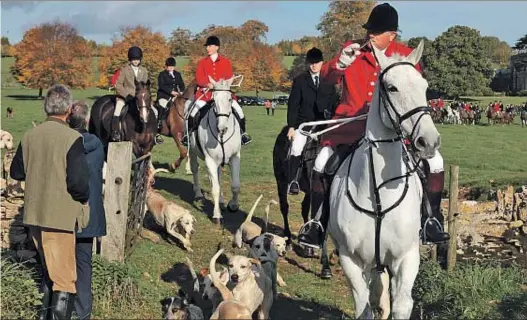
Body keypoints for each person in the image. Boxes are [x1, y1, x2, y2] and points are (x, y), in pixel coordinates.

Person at [297, 3, 450, 249]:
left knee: (435, 162)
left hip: (397, 131)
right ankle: (317, 224)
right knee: (321, 161)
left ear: (392, 34)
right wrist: (340, 63)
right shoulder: (352, 51)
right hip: (350, 126)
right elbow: (325, 80)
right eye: (370, 29)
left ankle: (431, 220)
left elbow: (414, 93)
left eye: (377, 31)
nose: (370, 34)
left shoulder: (406, 55)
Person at [10, 84, 90, 320]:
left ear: (46, 108)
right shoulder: (72, 137)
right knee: (65, 280)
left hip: (34, 215)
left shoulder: (29, 136)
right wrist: (83, 200)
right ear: (68, 110)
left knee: (50, 274)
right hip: (60, 217)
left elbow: (16, 172)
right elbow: (78, 184)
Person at [68, 101, 107, 320]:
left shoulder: (64, 144)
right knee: (84, 263)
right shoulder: (98, 145)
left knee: (61, 261)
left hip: (65, 213)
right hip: (89, 212)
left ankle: (61, 306)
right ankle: (83, 311)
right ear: (87, 120)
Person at [182, 36, 252, 146]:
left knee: (239, 110)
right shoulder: (202, 62)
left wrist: (225, 83)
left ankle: (243, 134)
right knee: (193, 112)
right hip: (206, 94)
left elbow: (229, 77)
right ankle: (187, 135)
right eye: (207, 46)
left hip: (222, 95)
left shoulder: (226, 62)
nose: (207, 48)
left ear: (217, 47)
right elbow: (199, 78)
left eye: (210, 46)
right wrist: (207, 84)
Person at [286, 47, 338, 196]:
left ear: (322, 63)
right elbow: (293, 105)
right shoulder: (300, 80)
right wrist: (291, 126)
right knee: (296, 147)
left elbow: (334, 103)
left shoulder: (329, 81)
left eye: (316, 62)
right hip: (304, 124)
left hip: (324, 124)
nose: (313, 66)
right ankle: (293, 181)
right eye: (311, 63)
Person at [112, 46, 149, 142]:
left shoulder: (144, 71)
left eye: (137, 59)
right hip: (126, 97)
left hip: (139, 98)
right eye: (134, 59)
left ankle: (153, 133)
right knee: (117, 109)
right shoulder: (125, 70)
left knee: (153, 111)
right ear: (130, 59)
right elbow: (118, 84)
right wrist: (126, 95)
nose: (136, 61)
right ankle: (115, 132)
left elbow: (145, 86)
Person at [155, 57, 185, 144]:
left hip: (176, 95)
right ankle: (159, 123)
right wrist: (171, 92)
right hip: (164, 95)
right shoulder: (162, 74)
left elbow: (181, 84)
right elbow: (161, 86)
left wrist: (181, 91)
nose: (171, 68)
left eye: (172, 66)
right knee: (162, 105)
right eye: (169, 66)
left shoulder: (177, 74)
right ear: (166, 66)